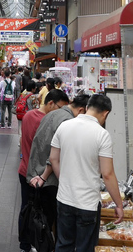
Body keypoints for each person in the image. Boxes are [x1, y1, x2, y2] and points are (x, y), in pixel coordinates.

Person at [49, 95, 123, 252]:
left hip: (64, 198)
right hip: (87, 204)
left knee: (63, 244)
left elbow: (53, 159)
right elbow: (108, 174)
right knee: (85, 250)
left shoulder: (64, 126)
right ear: (106, 114)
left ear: (87, 107)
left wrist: (66, 180)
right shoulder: (102, 134)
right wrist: (119, 204)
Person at [27, 94, 90, 243]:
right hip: (50, 179)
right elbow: (56, 155)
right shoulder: (69, 121)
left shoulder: (52, 113)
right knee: (50, 224)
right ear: (82, 110)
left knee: (43, 223)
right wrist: (45, 176)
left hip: (36, 173)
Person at [17, 89, 70, 252]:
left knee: (27, 210)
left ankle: (24, 247)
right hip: (41, 177)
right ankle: (44, 248)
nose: (62, 113)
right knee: (44, 216)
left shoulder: (28, 116)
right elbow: (49, 152)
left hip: (24, 170)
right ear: (50, 103)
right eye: (60, 108)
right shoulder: (49, 122)